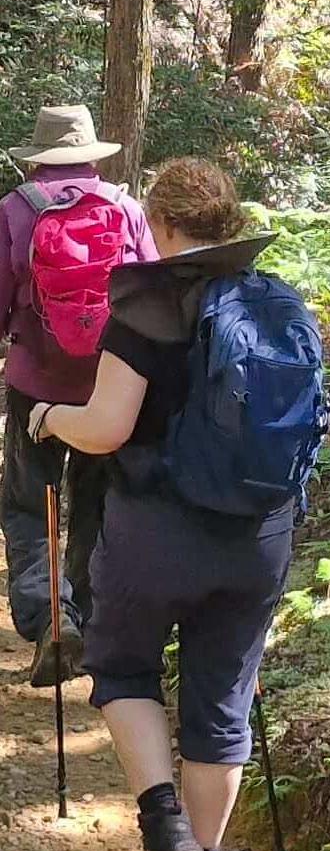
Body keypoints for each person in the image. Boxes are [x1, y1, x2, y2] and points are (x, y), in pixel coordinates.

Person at [29, 157, 295, 851]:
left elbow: (107, 427)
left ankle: (165, 832)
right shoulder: (274, 299)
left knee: (123, 666)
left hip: (157, 528)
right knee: (221, 704)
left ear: (161, 224)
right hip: (260, 534)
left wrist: (47, 416)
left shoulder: (146, 307)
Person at [0, 103, 156, 687]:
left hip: (34, 385)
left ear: (36, 158)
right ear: (92, 154)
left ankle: (48, 621)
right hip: (110, 392)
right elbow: (150, 296)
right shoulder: (125, 207)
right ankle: (89, 618)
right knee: (95, 502)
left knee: (28, 501)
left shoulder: (15, 211)